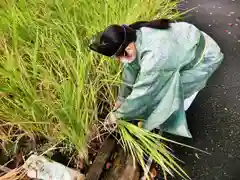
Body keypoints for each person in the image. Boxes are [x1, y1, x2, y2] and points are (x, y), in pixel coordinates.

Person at [89, 19, 223, 137]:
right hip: (185, 43)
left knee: (169, 93)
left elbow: (144, 93)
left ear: (129, 47)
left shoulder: (155, 56)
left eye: (120, 56)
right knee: (159, 87)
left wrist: (117, 115)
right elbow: (130, 71)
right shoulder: (135, 36)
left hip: (204, 57)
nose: (119, 60)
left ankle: (166, 119)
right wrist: (121, 99)